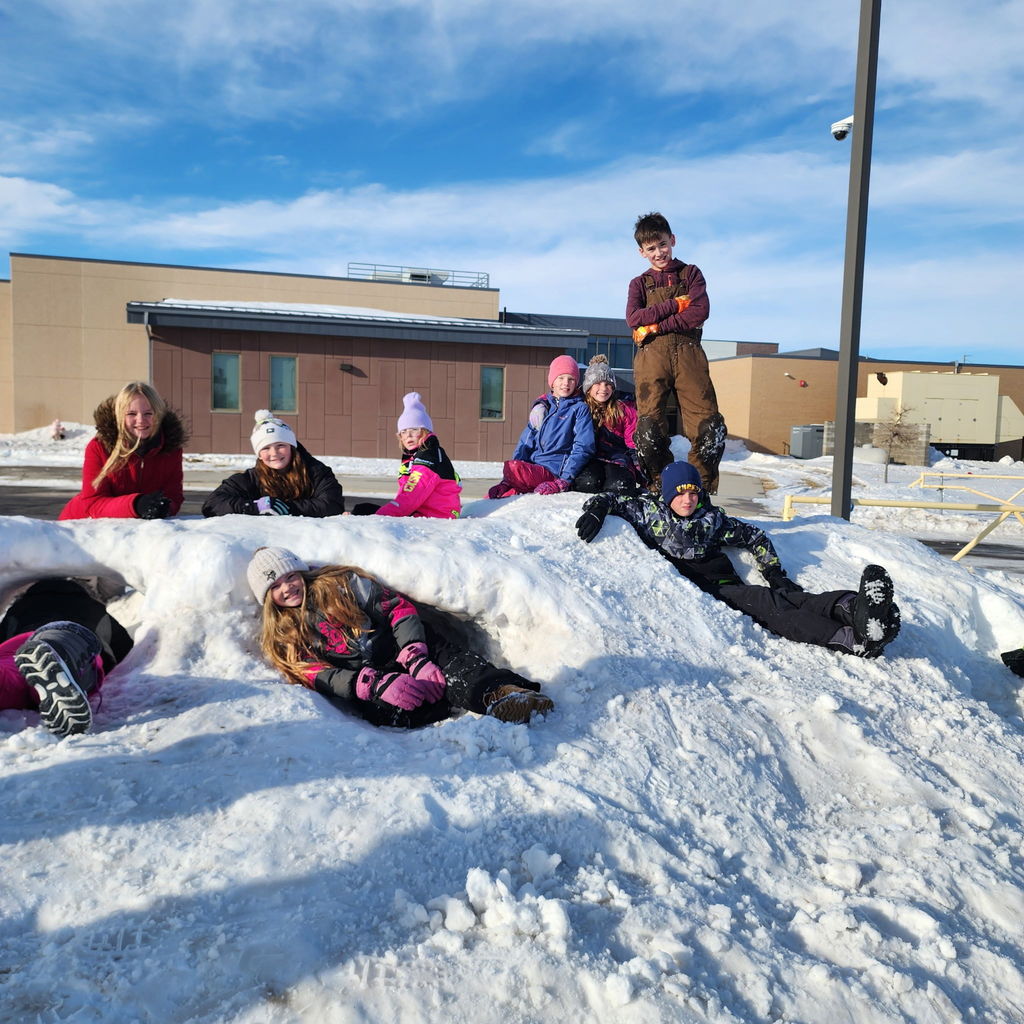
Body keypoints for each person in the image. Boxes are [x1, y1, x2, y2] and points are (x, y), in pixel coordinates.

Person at [575, 461, 901, 658]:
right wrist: (597, 509)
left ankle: (857, 609)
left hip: (725, 585)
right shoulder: (651, 513)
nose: (688, 499)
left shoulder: (711, 519)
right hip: (707, 592)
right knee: (775, 609)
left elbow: (755, 536)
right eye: (680, 493)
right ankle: (855, 640)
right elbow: (614, 499)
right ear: (668, 494)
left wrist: (774, 573)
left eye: (693, 492)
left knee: (788, 596)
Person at [248, 546, 554, 727]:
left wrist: (416, 657)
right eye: (275, 586)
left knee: (455, 666)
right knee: (392, 710)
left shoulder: (340, 585)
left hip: (406, 646)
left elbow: (397, 609)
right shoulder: (286, 632)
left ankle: (503, 695)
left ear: (302, 572)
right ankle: (449, 702)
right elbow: (316, 673)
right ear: (267, 597)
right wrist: (372, 685)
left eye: (290, 576)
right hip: (375, 677)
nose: (287, 588)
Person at [626, 211, 727, 494]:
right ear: (641, 252)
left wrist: (655, 325)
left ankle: (700, 487)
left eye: (662, 244)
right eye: (651, 248)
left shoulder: (691, 273)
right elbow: (634, 318)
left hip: (689, 352)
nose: (659, 252)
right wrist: (675, 305)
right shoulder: (639, 284)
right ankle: (661, 484)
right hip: (651, 358)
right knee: (648, 429)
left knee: (709, 426)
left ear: (672, 239)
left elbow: (699, 311)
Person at [0, 578, 134, 736]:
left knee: (10, 676)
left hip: (20, 645)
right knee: (72, 662)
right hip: (68, 636)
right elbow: (123, 646)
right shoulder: (93, 607)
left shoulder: (19, 607)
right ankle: (59, 669)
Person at [58, 381, 187, 521]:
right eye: (132, 413)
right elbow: (92, 503)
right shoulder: (99, 447)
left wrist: (164, 507)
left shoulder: (170, 449)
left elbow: (173, 495)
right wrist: (136, 504)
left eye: (148, 413)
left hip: (132, 532)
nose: (141, 420)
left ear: (158, 415)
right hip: (80, 528)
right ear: (120, 416)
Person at [488, 355, 595, 498]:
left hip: (554, 470)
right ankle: (510, 487)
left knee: (515, 468)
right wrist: (506, 481)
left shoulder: (579, 408)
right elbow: (525, 442)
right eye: (561, 378)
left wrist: (563, 480)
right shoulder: (542, 408)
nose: (566, 383)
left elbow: (583, 446)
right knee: (511, 468)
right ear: (552, 381)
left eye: (571, 379)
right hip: (534, 466)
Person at [202, 410, 345, 518]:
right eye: (266, 448)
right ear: (258, 454)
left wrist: (285, 508)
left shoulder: (316, 472)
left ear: (291, 447)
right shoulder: (250, 478)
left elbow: (332, 506)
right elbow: (211, 505)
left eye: (280, 445)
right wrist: (254, 507)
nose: (274, 453)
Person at [350, 393, 461, 519]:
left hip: (436, 517)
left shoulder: (429, 455)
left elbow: (412, 495)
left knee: (364, 514)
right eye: (403, 431)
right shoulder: (413, 456)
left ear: (425, 431)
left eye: (414, 429)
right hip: (421, 512)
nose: (408, 435)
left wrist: (378, 518)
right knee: (362, 509)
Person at [573, 354, 644, 495]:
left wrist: (640, 471)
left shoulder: (624, 409)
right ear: (588, 387)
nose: (603, 388)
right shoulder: (580, 407)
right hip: (590, 457)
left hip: (618, 457)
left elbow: (632, 442)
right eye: (598, 383)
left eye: (608, 384)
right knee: (586, 484)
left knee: (620, 486)